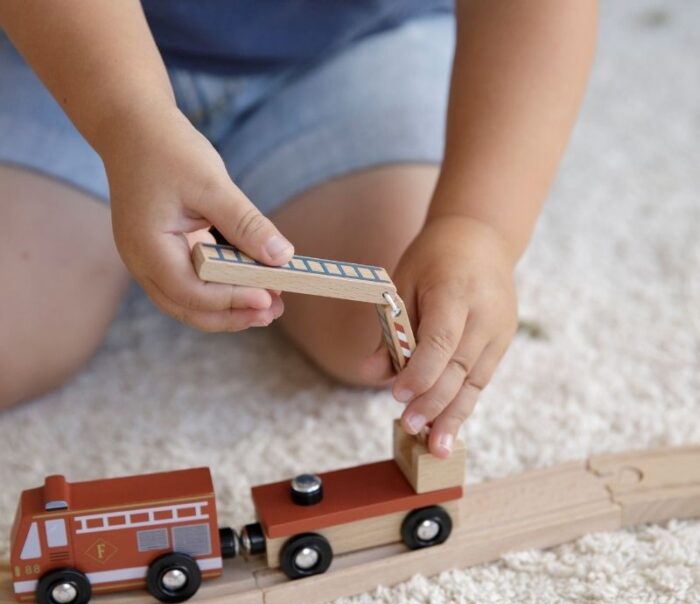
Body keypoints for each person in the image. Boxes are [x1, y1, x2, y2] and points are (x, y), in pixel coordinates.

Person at [0, 1, 597, 457]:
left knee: (408, 315)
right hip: (67, 49)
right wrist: (127, 122)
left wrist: (478, 226)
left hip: (351, 45)